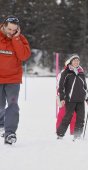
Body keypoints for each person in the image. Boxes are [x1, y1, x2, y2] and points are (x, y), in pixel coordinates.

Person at [0, 15, 31, 144]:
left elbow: (24, 56)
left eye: (14, 30)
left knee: (12, 105)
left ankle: (10, 133)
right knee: (0, 105)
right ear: (3, 26)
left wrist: (16, 39)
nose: (11, 32)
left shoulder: (20, 39)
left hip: (13, 79)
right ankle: (1, 123)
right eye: (9, 29)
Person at [56, 54, 88, 140]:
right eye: (74, 60)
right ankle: (60, 134)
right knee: (67, 117)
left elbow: (84, 86)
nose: (76, 62)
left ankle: (77, 135)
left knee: (81, 119)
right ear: (71, 62)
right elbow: (61, 86)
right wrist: (62, 98)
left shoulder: (81, 72)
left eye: (78, 61)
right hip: (70, 100)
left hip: (80, 100)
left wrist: (87, 98)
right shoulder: (66, 72)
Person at [56, 60, 77, 135]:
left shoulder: (76, 72)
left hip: (73, 97)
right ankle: (59, 131)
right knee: (62, 115)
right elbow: (59, 86)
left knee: (74, 115)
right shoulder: (63, 73)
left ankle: (73, 132)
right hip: (64, 97)